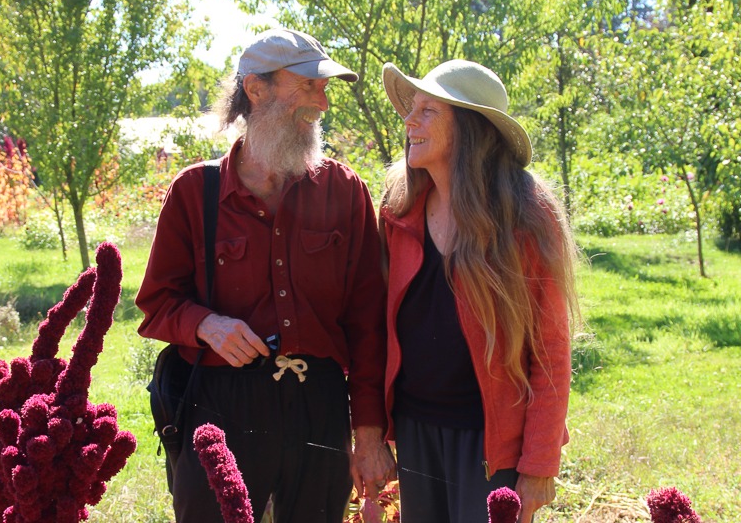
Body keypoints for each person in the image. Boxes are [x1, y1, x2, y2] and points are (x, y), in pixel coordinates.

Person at [136, 28, 396, 523]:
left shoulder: (344, 191)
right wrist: (205, 325)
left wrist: (366, 433)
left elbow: (368, 325)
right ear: (256, 90)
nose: (322, 103)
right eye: (308, 87)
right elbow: (157, 305)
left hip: (318, 404)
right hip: (218, 409)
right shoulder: (195, 192)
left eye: (325, 90)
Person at [378, 59, 579, 523]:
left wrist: (539, 464)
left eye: (428, 110)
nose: (410, 120)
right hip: (415, 433)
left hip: (491, 444)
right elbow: (375, 326)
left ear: (468, 128)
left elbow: (550, 350)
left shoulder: (526, 216)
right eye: (412, 108)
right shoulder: (398, 210)